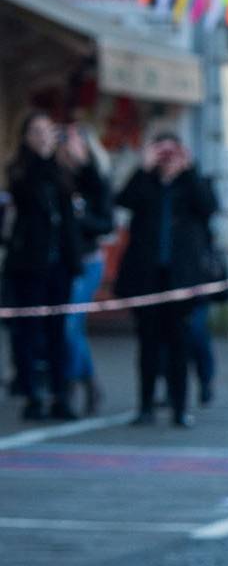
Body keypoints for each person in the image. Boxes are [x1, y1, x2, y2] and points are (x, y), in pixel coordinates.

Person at [115, 132, 217, 427]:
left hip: (181, 279)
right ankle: (145, 405)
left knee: (179, 345)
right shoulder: (146, 183)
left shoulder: (192, 183)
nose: (167, 158)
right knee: (147, 343)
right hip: (147, 277)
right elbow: (124, 200)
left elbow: (209, 207)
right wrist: (143, 168)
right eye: (162, 152)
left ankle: (179, 406)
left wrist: (188, 169)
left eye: (173, 152)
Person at [3, 113, 82, 419]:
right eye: (36, 132)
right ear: (26, 137)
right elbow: (28, 192)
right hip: (28, 264)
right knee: (27, 331)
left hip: (59, 264)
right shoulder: (21, 168)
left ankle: (60, 394)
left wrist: (77, 155)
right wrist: (46, 156)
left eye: (48, 131)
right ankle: (31, 393)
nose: (43, 137)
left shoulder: (63, 169)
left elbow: (90, 192)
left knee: (57, 332)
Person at [61, 124, 116, 416]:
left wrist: (79, 220)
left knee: (71, 325)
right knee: (68, 327)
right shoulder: (56, 175)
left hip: (88, 260)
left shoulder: (95, 178)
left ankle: (82, 382)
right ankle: (82, 382)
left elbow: (106, 223)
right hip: (61, 262)